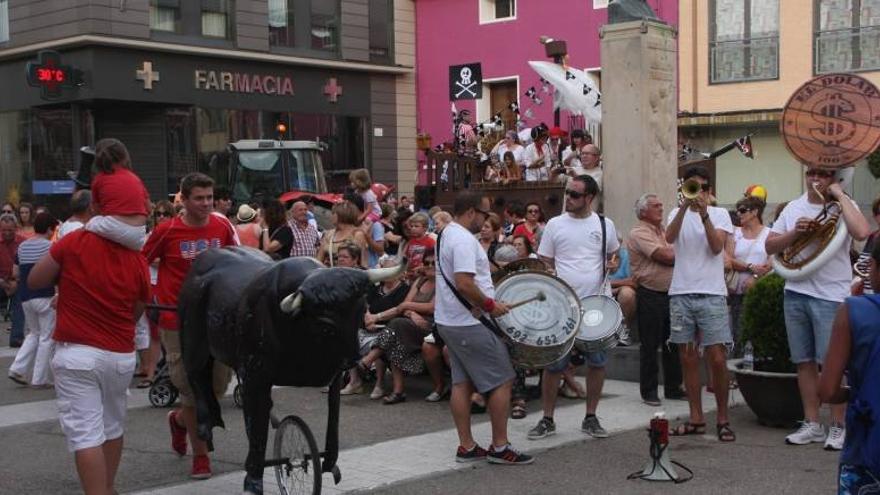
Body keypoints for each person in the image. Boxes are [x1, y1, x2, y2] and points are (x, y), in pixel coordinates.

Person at [29, 202, 150, 495]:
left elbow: (35, 280)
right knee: (113, 427)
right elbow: (137, 309)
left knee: (86, 435)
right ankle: (107, 487)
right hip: (119, 354)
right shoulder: (136, 257)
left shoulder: (75, 242)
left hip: (78, 352)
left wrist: (67, 283)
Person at [142, 172, 239, 480]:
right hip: (177, 320)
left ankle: (179, 421)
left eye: (210, 197)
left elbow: (238, 261)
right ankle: (201, 457)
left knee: (217, 387)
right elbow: (139, 262)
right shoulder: (166, 230)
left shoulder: (222, 225)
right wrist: (146, 296)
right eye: (199, 198)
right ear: (183, 200)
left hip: (215, 317)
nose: (206, 203)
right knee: (189, 388)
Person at [765, 166, 870, 450]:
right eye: (811, 173)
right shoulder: (793, 207)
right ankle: (812, 423)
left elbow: (862, 232)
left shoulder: (844, 205)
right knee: (804, 361)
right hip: (796, 291)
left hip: (831, 294)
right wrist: (795, 233)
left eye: (823, 175)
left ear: (833, 178)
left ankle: (838, 425)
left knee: (834, 363)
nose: (815, 179)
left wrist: (839, 195)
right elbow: (770, 246)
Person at [435, 191, 533, 465]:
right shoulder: (464, 240)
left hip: (451, 320)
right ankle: (500, 447)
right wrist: (490, 305)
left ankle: (467, 446)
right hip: (469, 323)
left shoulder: (446, 233)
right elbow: (464, 283)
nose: (487, 218)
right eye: (484, 213)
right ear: (471, 212)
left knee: (462, 383)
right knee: (503, 379)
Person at [528, 175, 619, 441]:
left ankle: (591, 416)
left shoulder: (604, 224)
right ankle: (547, 419)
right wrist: (548, 272)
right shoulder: (555, 224)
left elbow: (613, 254)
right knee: (554, 365)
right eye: (567, 192)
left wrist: (613, 263)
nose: (568, 198)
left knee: (597, 363)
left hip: (596, 305)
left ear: (589, 198)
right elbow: (545, 259)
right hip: (562, 306)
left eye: (575, 194)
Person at [665, 166, 736, 442]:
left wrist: (704, 213)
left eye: (703, 187)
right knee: (687, 358)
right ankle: (696, 417)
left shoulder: (719, 214)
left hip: (711, 293)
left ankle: (722, 418)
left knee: (717, 358)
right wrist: (685, 207)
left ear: (710, 190)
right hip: (681, 292)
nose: (698, 192)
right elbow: (669, 238)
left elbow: (717, 247)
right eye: (692, 186)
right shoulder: (676, 212)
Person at [818, 242, 880, 493]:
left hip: (865, 447)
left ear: (874, 267)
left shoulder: (853, 310)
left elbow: (827, 390)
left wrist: (856, 392)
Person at [628, 193, 684, 406]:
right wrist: (686, 254)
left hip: (671, 293)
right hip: (650, 293)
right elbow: (665, 256)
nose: (661, 208)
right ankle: (649, 391)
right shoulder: (639, 232)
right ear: (643, 212)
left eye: (661, 205)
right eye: (655, 206)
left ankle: (673, 387)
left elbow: (671, 252)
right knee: (650, 345)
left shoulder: (663, 230)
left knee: (673, 343)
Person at [360, 250, 436, 404]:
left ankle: (368, 361)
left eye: (433, 263)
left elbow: (431, 308)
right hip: (410, 323)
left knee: (396, 325)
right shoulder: (420, 281)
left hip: (430, 325)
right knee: (397, 334)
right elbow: (403, 306)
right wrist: (411, 312)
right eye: (426, 262)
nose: (429, 266)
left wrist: (408, 308)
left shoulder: (442, 283)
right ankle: (397, 391)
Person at [7, 212, 59, 388]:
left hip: (25, 297)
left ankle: (17, 369)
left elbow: (15, 273)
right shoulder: (50, 247)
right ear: (49, 229)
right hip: (45, 295)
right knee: (46, 337)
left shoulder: (22, 247)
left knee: (33, 333)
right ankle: (40, 378)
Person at [85, 138, 152, 250]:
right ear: (124, 157)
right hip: (138, 234)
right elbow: (149, 208)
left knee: (91, 223)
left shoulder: (99, 179)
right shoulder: (135, 178)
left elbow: (96, 210)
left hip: (114, 227)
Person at [727, 195, 772, 342]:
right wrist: (750, 267)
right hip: (737, 292)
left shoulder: (769, 233)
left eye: (742, 210)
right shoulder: (735, 233)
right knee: (738, 334)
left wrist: (756, 277)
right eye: (737, 211)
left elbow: (772, 260)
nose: (738, 214)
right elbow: (729, 259)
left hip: (761, 291)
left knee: (760, 334)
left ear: (755, 212)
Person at [317, 201, 368, 268]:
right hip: (327, 273)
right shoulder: (328, 234)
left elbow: (363, 262)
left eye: (333, 213)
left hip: (347, 273)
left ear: (341, 215)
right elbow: (318, 260)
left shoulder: (357, 235)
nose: (331, 216)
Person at [0, 214, 25, 347]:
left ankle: (16, 338)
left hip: (17, 281)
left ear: (16, 228)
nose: (7, 233)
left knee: (20, 298)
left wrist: (17, 282)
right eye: (4, 230)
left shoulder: (23, 243)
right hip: (1, 281)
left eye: (10, 230)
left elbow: (28, 267)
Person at [403, 212, 435, 278]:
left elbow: (433, 261)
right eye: (411, 226)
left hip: (423, 275)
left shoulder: (430, 242)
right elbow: (407, 258)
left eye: (416, 226)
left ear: (425, 228)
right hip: (410, 274)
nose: (413, 228)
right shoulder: (411, 241)